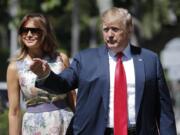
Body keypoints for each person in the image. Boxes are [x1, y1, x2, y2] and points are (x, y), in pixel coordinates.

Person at [30, 7, 177, 135]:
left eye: (115, 29)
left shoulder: (149, 60)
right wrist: (45, 75)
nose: (110, 34)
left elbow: (164, 109)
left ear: (129, 29)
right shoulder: (85, 59)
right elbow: (62, 84)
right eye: (106, 29)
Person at [7, 13, 76, 135]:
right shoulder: (14, 67)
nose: (28, 34)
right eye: (24, 30)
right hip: (34, 127)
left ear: (45, 33)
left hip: (65, 123)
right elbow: (14, 111)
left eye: (34, 31)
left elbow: (73, 99)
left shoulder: (61, 59)